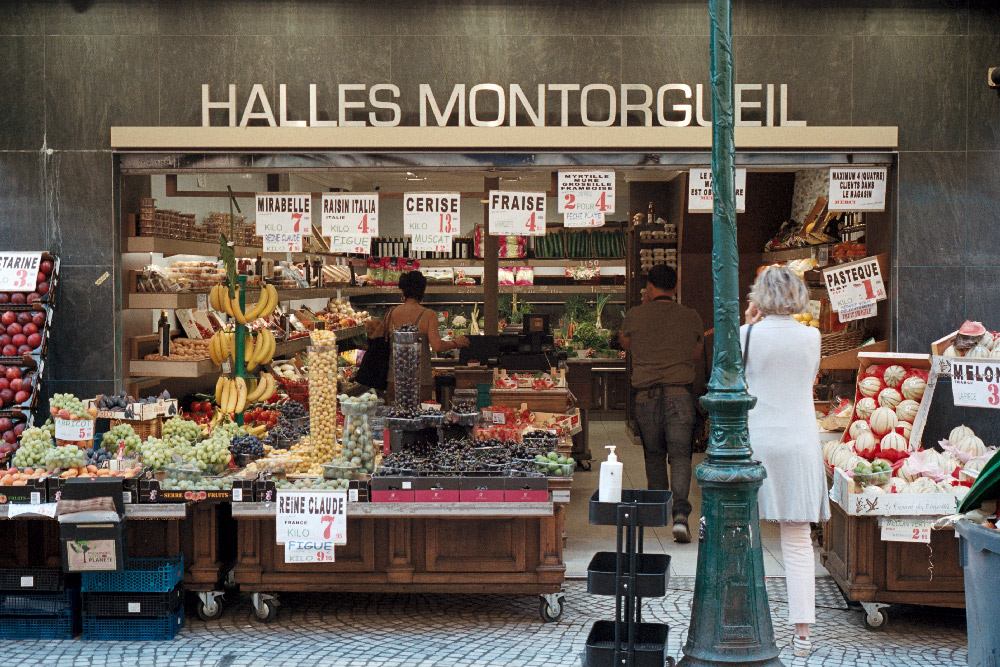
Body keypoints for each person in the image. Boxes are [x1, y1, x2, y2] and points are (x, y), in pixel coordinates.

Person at [740, 265, 830, 658]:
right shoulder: (812, 336)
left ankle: (745, 621)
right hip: (798, 440)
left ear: (759, 297)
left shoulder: (747, 335)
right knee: (797, 540)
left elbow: (736, 382)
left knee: (745, 536)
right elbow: (807, 380)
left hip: (757, 439)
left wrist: (746, 324)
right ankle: (803, 635)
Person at [620, 264, 704, 543]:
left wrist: (645, 308)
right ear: (676, 287)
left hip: (646, 397)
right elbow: (696, 352)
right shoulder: (691, 316)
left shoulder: (635, 315)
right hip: (680, 396)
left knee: (653, 455)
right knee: (680, 457)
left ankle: (657, 511)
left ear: (650, 288)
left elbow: (626, 344)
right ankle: (680, 517)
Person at [384, 271, 469, 402]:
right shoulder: (428, 315)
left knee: (396, 415)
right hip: (420, 381)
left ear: (403, 291)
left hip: (394, 379)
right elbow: (437, 345)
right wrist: (456, 343)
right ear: (422, 291)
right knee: (420, 416)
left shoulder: (391, 313)